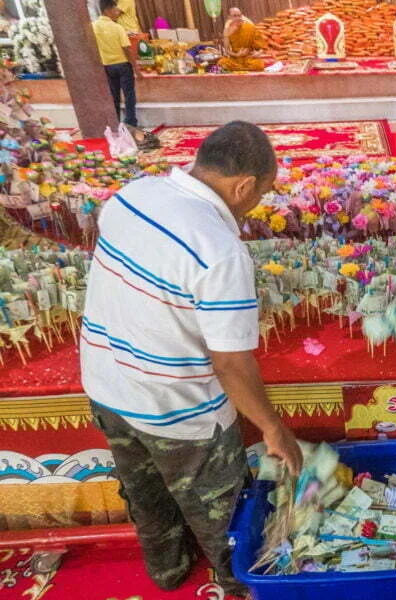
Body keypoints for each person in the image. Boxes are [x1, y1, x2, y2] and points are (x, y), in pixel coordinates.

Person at [81, 122, 303, 595]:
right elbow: (231, 365)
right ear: (244, 186)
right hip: (176, 408)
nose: (258, 203)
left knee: (145, 494)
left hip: (106, 384)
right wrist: (273, 429)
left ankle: (167, 569)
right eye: (262, 192)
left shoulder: (134, 193)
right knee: (221, 513)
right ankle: (236, 581)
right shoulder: (217, 250)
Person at [93, 0, 139, 128]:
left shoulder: (93, 26)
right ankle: (131, 123)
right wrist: (136, 68)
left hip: (107, 66)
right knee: (129, 95)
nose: (117, 12)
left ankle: (115, 122)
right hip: (123, 65)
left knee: (114, 95)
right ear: (107, 10)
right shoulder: (117, 27)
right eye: (115, 9)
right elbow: (127, 48)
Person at [218, 7, 266, 72]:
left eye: (239, 15)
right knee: (222, 62)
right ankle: (242, 69)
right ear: (229, 17)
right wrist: (237, 55)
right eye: (235, 16)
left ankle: (239, 69)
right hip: (235, 59)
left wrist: (258, 53)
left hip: (249, 58)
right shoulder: (227, 30)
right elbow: (227, 51)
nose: (238, 18)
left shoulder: (250, 27)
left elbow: (261, 48)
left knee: (259, 64)